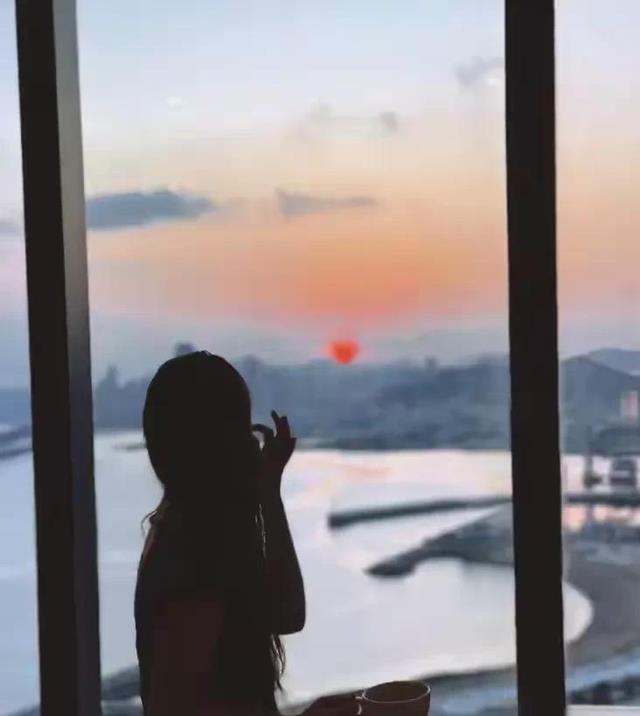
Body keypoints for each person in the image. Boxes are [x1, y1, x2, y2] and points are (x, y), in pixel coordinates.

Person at [135, 352, 357, 716]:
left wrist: (268, 491)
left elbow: (288, 613)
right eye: (242, 427)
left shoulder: (199, 531)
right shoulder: (194, 553)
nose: (252, 442)